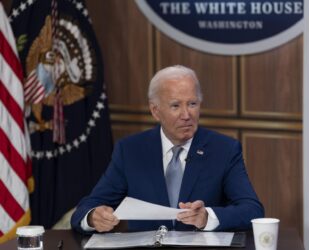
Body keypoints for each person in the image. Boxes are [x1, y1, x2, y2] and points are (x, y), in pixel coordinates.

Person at [71, 65, 264, 234]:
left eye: (192, 104)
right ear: (155, 111)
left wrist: (207, 217)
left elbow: (252, 210)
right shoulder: (130, 151)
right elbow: (86, 208)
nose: (186, 115)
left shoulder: (224, 149)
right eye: (175, 106)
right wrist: (93, 217)